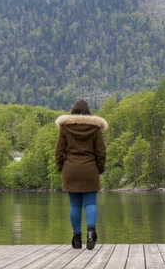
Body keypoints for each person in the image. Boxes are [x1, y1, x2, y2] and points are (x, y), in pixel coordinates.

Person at [55, 100, 107, 250]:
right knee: (90, 203)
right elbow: (101, 152)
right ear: (88, 112)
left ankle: (76, 238)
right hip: (90, 170)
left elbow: (58, 152)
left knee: (74, 205)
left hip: (70, 170)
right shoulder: (95, 129)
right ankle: (91, 232)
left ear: (72, 112)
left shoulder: (65, 128)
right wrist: (100, 168)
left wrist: (61, 168)